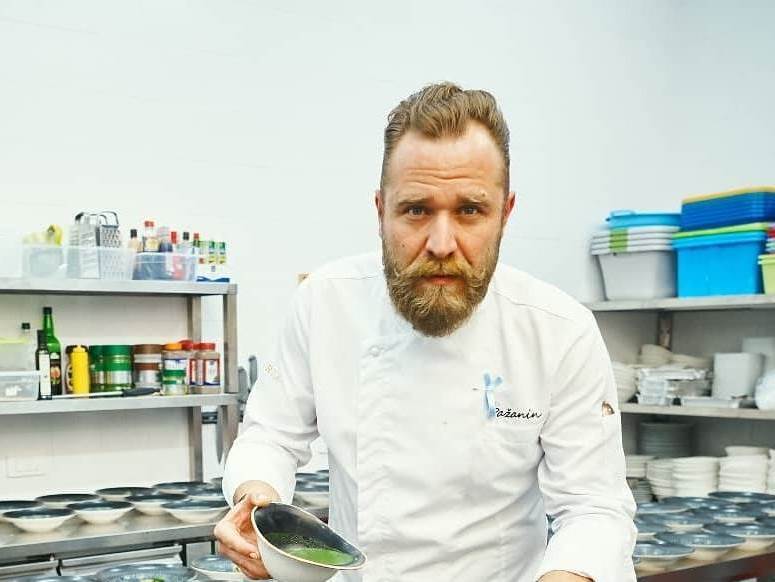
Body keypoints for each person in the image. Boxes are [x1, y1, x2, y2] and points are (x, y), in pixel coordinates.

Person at [215, 82, 636, 581]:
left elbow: (594, 507)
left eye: (470, 210)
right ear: (381, 211)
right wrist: (256, 498)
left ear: (505, 214)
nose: (441, 243)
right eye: (416, 210)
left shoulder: (558, 330)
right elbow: (271, 436)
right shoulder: (325, 302)